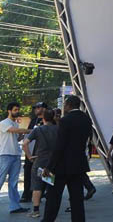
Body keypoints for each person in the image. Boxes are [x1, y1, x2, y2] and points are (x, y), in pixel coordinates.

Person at [41, 94, 93, 222]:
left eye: (65, 104)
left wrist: (49, 166)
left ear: (69, 105)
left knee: (54, 197)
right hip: (78, 164)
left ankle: (48, 219)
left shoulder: (65, 120)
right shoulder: (87, 119)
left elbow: (60, 145)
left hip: (62, 166)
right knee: (77, 199)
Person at [22, 109, 57, 218]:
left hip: (40, 161)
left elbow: (25, 144)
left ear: (43, 118)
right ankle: (51, 211)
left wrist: (29, 156)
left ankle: (36, 211)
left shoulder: (38, 130)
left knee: (37, 186)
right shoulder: (59, 129)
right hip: (53, 162)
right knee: (51, 185)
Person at [1, 101, 31, 214]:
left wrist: (20, 136)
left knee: (13, 183)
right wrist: (30, 131)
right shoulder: (4, 123)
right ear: (9, 111)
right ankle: (15, 206)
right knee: (1, 180)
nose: (17, 112)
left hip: (15, 155)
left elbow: (16, 137)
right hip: (5, 155)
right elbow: (16, 131)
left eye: (18, 110)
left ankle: (15, 207)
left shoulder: (15, 124)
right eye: (15, 110)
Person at [22, 103, 46, 203]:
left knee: (42, 174)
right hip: (30, 151)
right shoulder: (33, 120)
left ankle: (39, 194)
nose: (36, 109)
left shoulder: (47, 120)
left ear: (44, 108)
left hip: (42, 153)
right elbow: (27, 135)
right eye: (35, 108)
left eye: (38, 107)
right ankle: (26, 194)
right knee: (27, 172)